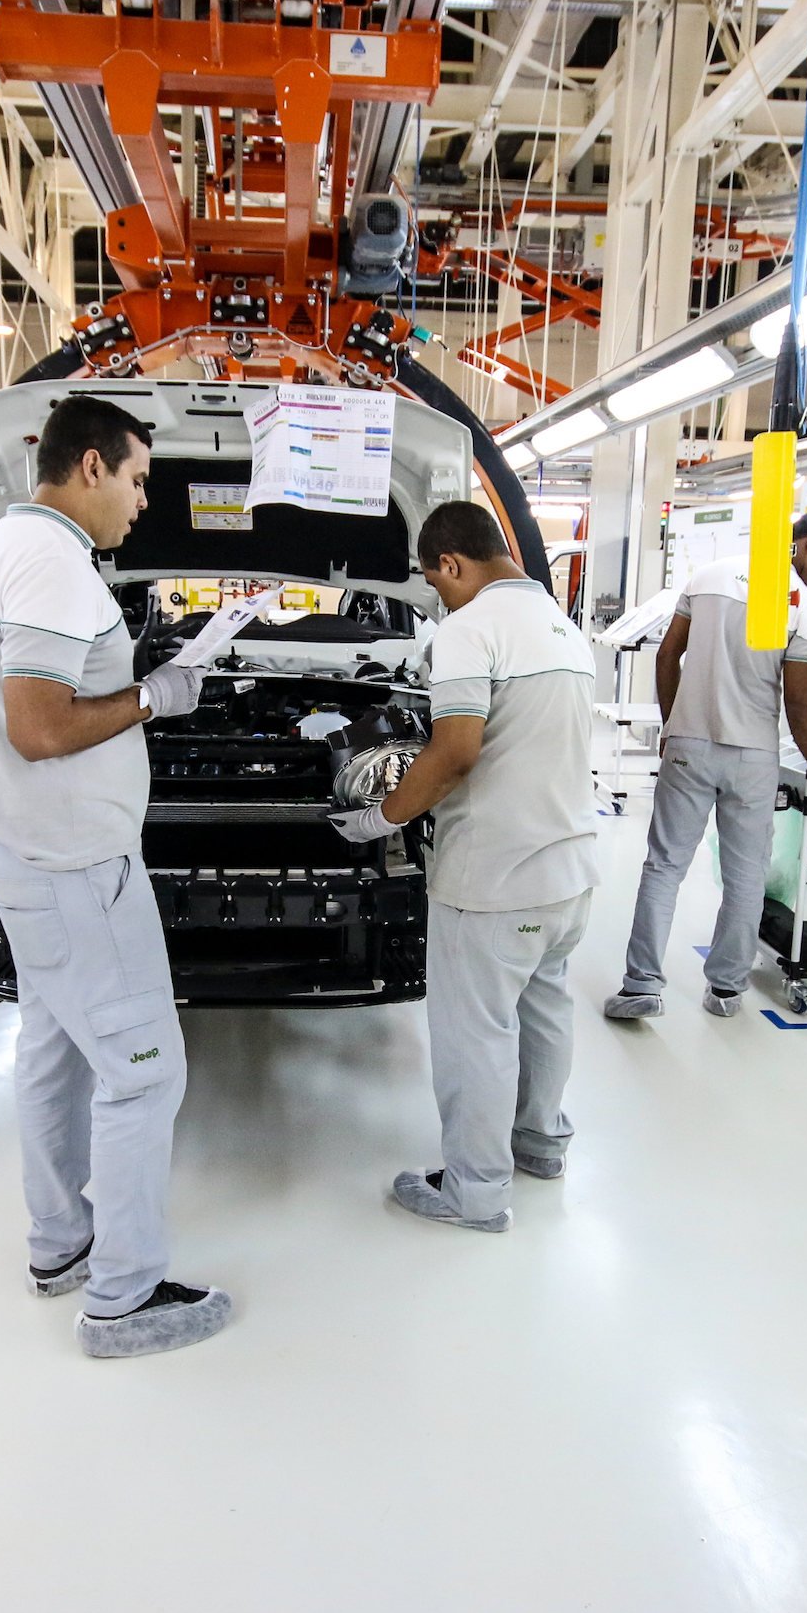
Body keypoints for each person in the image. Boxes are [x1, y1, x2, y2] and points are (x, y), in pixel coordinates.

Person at [0, 394, 231, 1358]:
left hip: (21, 850)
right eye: (141, 478)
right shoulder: (56, 566)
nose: (144, 503)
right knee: (146, 1072)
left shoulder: (6, 552)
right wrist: (155, 695)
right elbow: (38, 729)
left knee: (54, 1049)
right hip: (71, 862)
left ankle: (60, 1243)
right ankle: (124, 1296)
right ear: (93, 468)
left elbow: (32, 703)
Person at [331, 501, 596, 1232]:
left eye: (436, 583)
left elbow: (454, 752)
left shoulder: (470, 630)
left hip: (496, 880)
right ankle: (540, 1141)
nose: (439, 599)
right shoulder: (566, 630)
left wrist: (379, 818)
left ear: (451, 564)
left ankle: (475, 1190)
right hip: (570, 870)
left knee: (474, 1032)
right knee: (545, 1008)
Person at [602, 508, 807, 1022]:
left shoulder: (708, 577)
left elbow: (666, 658)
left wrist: (673, 724)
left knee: (663, 867)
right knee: (746, 877)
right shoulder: (804, 609)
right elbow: (799, 700)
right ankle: (726, 990)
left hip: (689, 745)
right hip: (752, 757)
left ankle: (642, 984)